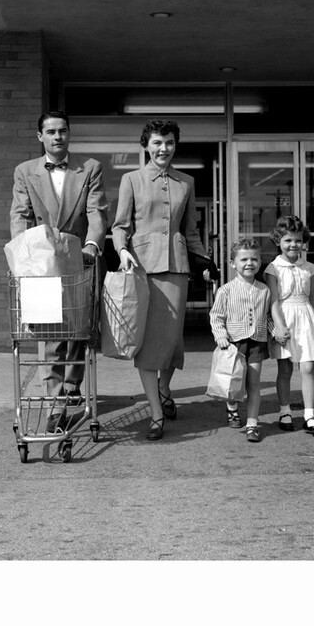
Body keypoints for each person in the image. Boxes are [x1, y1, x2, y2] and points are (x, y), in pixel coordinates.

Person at [112, 119, 215, 441]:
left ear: (175, 145)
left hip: (177, 267)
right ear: (146, 145)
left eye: (169, 142)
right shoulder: (131, 180)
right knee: (147, 343)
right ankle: (156, 413)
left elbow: (191, 230)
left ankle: (164, 387)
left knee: (172, 341)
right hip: (142, 268)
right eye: (157, 142)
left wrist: (205, 263)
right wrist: (121, 250)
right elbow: (120, 226)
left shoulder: (186, 182)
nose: (163, 149)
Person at [10, 110, 108, 425]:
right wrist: (25, 256)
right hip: (42, 262)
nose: (57, 137)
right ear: (40, 137)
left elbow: (96, 211)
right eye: (50, 132)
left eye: (62, 131)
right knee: (50, 331)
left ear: (69, 134)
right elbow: (20, 215)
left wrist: (93, 244)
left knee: (78, 330)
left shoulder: (89, 168)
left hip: (79, 257)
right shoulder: (25, 172)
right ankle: (55, 399)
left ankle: (71, 386)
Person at [264, 215, 314, 436]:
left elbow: (313, 299)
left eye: (298, 240)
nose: (293, 245)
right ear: (279, 242)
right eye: (288, 240)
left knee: (308, 367)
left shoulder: (308, 267)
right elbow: (273, 301)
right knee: (285, 368)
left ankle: (309, 415)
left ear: (304, 242)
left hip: (306, 319)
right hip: (284, 317)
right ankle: (285, 411)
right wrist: (279, 327)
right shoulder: (273, 269)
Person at [209, 237, 271, 443]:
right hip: (233, 343)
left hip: (257, 342)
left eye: (254, 259)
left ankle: (252, 424)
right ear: (233, 263)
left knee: (253, 384)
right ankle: (232, 407)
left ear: (260, 262)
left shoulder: (264, 290)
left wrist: (275, 332)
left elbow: (268, 316)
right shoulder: (225, 290)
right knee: (233, 382)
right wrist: (221, 336)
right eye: (243, 259)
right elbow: (216, 316)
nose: (249, 263)